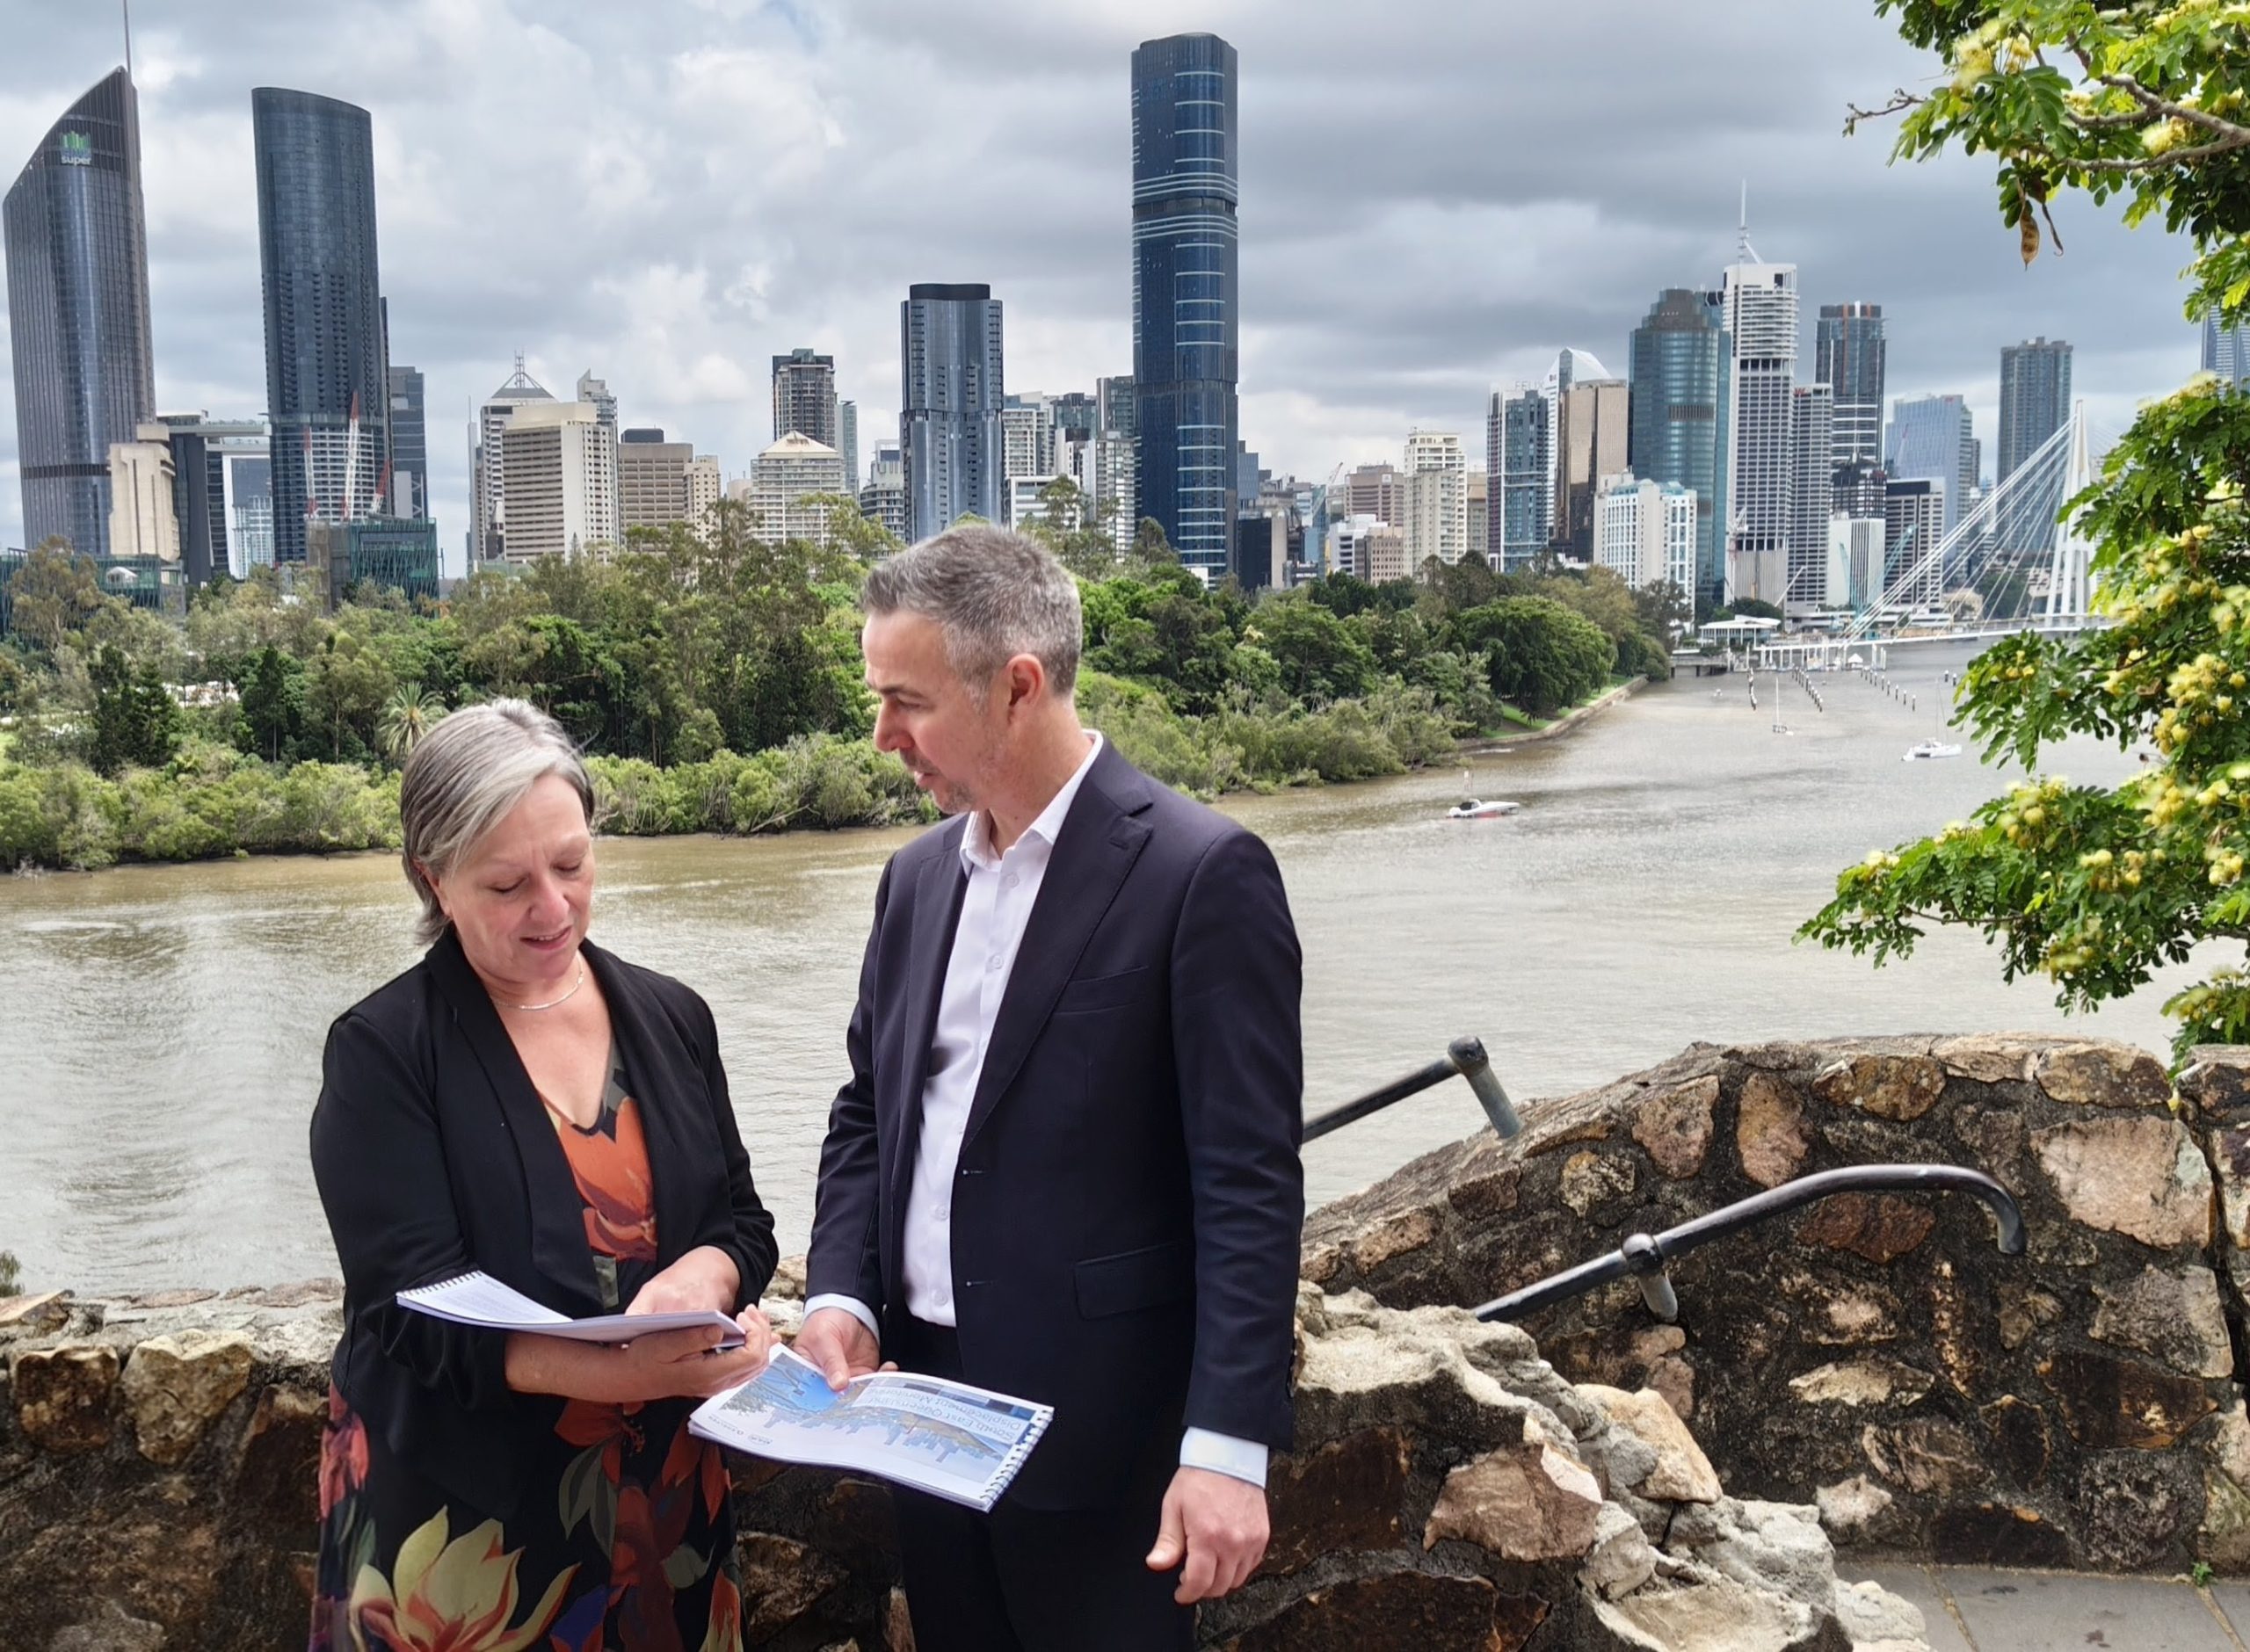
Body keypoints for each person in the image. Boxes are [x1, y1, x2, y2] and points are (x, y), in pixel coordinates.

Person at [797, 526, 1305, 1651]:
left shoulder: (1201, 872)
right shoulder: (914, 878)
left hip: (1107, 1442)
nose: (882, 736)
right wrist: (841, 1294)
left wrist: (1226, 1446)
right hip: (920, 1417)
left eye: (906, 701)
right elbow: (868, 1115)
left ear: (1016, 685)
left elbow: (1248, 1185)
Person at [308, 699, 779, 1652]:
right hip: (467, 1537)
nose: (553, 907)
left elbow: (741, 1219)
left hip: (669, 1508)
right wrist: (621, 1369)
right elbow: (408, 1310)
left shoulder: (672, 1015)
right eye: (509, 883)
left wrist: (709, 1279)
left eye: (571, 864)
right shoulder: (384, 1051)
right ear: (432, 879)